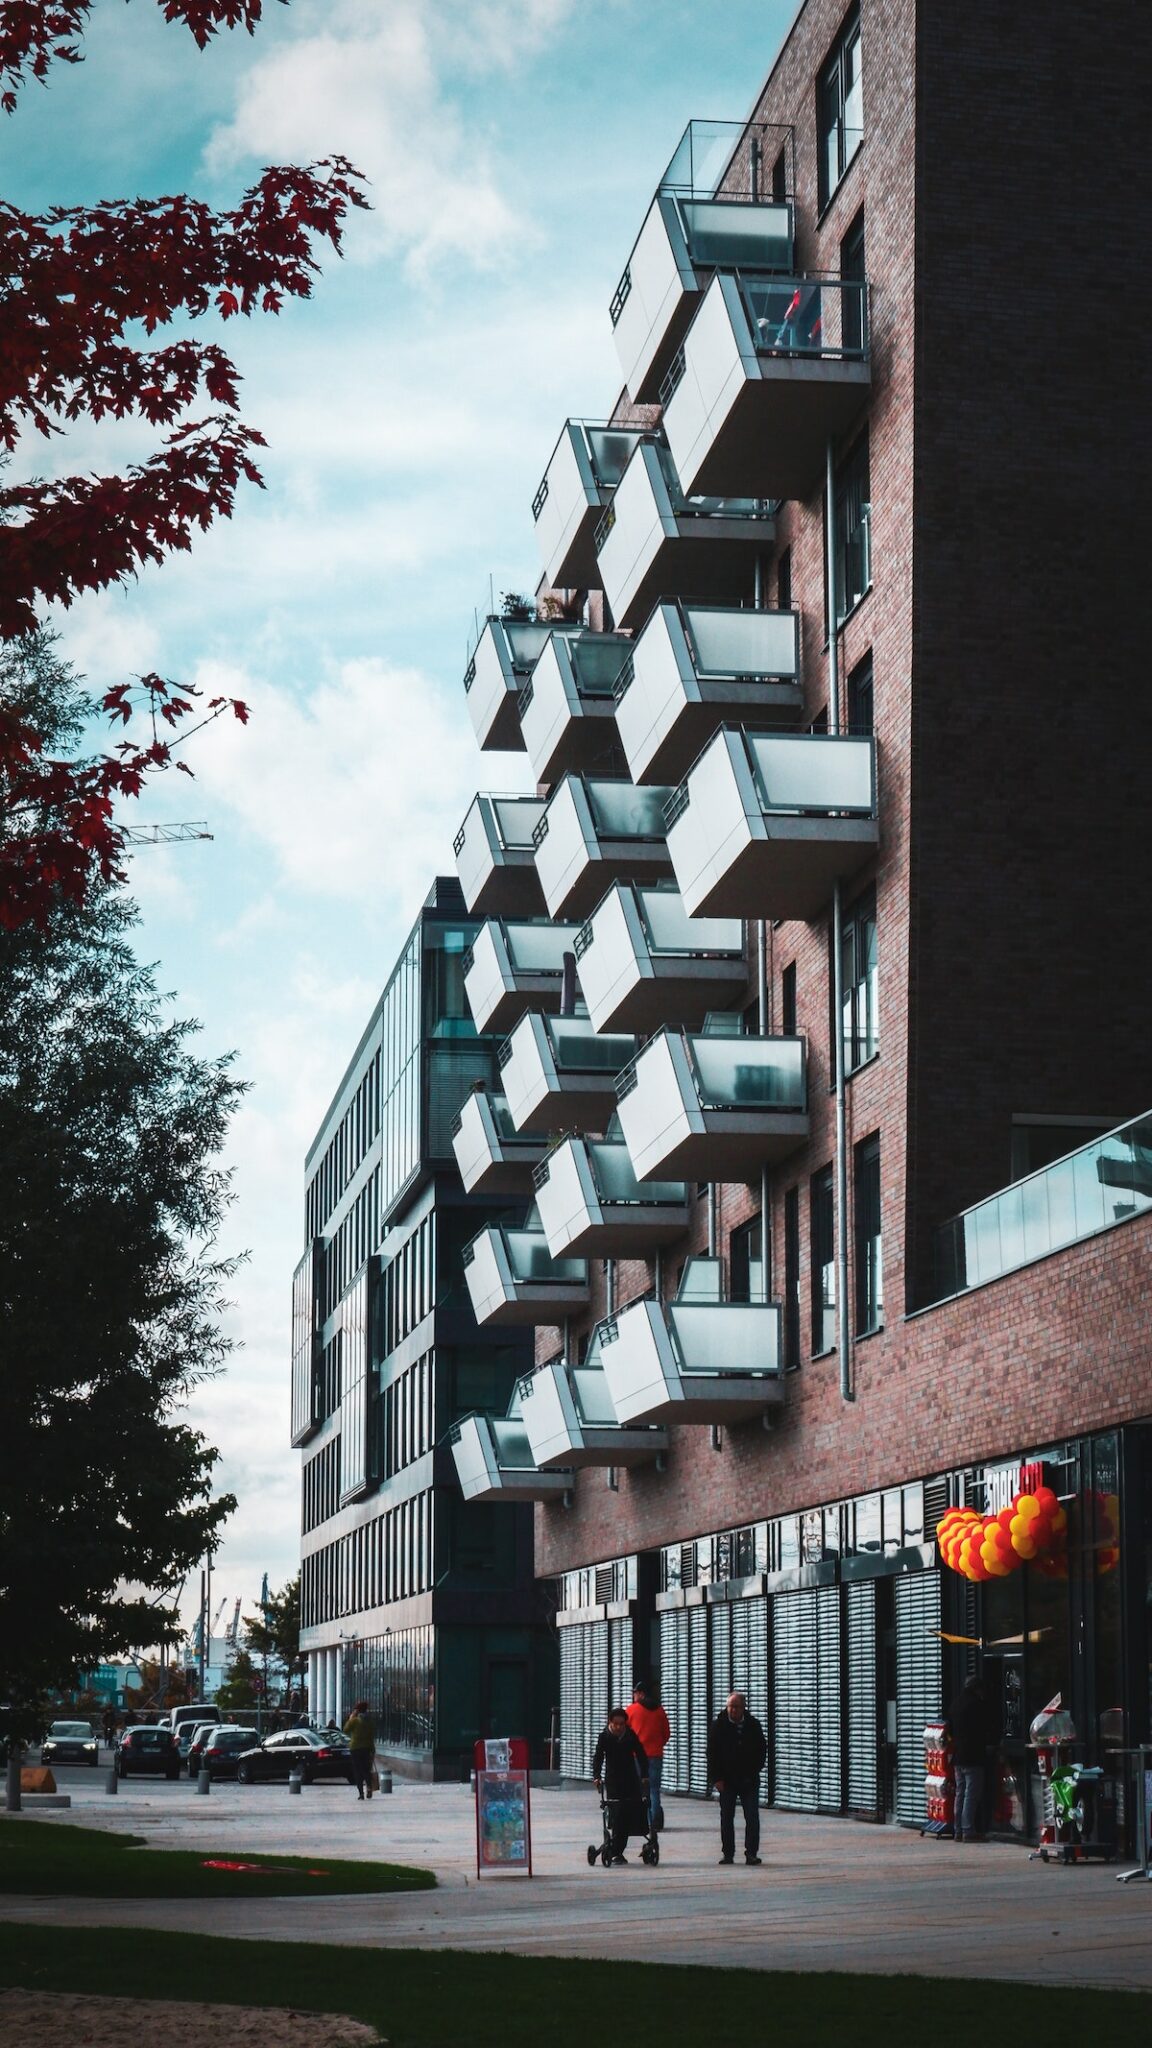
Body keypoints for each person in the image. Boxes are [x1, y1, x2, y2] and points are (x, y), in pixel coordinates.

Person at [707, 1690, 767, 1865]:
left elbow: (762, 1750)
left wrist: (755, 1770)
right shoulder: (718, 1726)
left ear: (743, 1708)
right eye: (730, 1706)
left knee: (752, 1817)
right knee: (726, 1818)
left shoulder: (753, 1725)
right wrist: (716, 1779)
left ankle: (751, 1853)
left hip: (749, 1780)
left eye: (737, 1707)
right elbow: (711, 1754)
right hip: (726, 1781)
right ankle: (728, 1853)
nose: (733, 1710)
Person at [592, 1706, 649, 1864]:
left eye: (621, 1724)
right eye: (616, 1724)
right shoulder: (604, 1737)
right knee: (618, 1814)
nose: (618, 1727)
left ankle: (617, 1850)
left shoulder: (630, 1735)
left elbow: (641, 1754)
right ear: (610, 1722)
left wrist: (644, 1774)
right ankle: (616, 1850)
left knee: (632, 1811)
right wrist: (596, 1776)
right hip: (613, 1781)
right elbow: (598, 1757)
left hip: (630, 1779)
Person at [949, 1675, 990, 1842]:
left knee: (960, 1793)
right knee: (971, 1795)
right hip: (973, 1756)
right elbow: (983, 1729)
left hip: (958, 1756)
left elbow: (950, 1730)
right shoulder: (977, 1705)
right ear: (977, 1689)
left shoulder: (955, 1704)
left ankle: (958, 1830)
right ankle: (968, 1831)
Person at [626, 1681, 670, 1834]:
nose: (633, 1696)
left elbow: (624, 1733)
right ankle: (655, 1821)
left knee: (638, 1789)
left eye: (635, 1693)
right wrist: (657, 1745)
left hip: (637, 1756)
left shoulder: (632, 1710)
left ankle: (642, 1820)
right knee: (654, 1789)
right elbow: (666, 1734)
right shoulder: (660, 1710)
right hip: (656, 1755)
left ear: (641, 1694)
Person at [343, 1698, 376, 1801]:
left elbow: (345, 1730)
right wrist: (372, 1749)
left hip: (355, 1748)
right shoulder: (369, 1722)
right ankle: (369, 1787)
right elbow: (372, 1736)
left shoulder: (355, 1721)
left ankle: (361, 1793)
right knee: (366, 1769)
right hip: (367, 1748)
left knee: (357, 1771)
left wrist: (350, 1718)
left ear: (357, 1710)